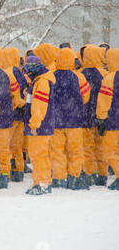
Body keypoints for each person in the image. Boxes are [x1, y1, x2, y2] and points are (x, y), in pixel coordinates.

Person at [51, 48, 91, 190]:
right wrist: (76, 105)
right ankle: (74, 177)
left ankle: (58, 178)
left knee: (57, 151)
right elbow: (86, 96)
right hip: (75, 120)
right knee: (75, 150)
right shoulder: (79, 77)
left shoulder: (52, 76)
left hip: (56, 121)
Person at [0, 45, 24, 189]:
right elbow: (16, 95)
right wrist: (14, 106)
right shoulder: (8, 74)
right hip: (5, 116)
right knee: (3, 148)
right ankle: (3, 175)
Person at [23, 56, 56, 195]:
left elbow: (39, 106)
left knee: (39, 156)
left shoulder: (42, 82)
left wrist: (34, 124)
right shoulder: (38, 81)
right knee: (39, 156)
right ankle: (42, 182)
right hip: (42, 124)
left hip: (39, 126)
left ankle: (42, 183)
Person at [81, 45, 109, 186]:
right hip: (101, 117)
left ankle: (89, 174)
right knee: (101, 148)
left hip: (85, 117)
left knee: (87, 148)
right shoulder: (105, 74)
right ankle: (102, 174)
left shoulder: (80, 74)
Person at [4, 47, 29, 182]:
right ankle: (18, 171)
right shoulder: (21, 74)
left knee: (6, 145)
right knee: (17, 146)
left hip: (11, 114)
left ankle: (6, 172)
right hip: (21, 115)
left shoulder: (7, 73)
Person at [96, 48, 119, 190]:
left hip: (113, 122)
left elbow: (104, 102)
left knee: (110, 152)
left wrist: (101, 118)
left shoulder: (110, 78)